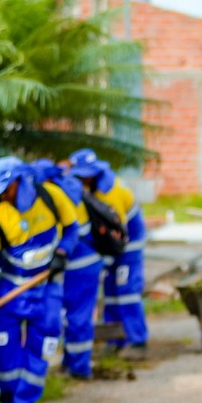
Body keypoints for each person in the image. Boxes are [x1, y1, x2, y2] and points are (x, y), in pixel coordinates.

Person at [0, 156, 79, 403]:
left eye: (4, 189)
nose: (0, 197)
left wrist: (62, 254)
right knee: (2, 350)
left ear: (19, 182)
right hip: (11, 289)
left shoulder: (51, 196)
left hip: (47, 288)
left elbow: (72, 228)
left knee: (42, 345)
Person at [73, 150, 149, 355]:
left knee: (127, 293)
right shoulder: (95, 188)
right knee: (111, 293)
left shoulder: (111, 192)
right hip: (114, 247)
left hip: (128, 247)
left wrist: (103, 261)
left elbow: (117, 234)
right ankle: (116, 342)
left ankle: (138, 342)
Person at [53, 151, 109, 380]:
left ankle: (79, 367)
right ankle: (72, 362)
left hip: (80, 267)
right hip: (80, 266)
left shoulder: (66, 197)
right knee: (74, 317)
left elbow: (69, 234)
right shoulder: (74, 193)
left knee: (78, 318)